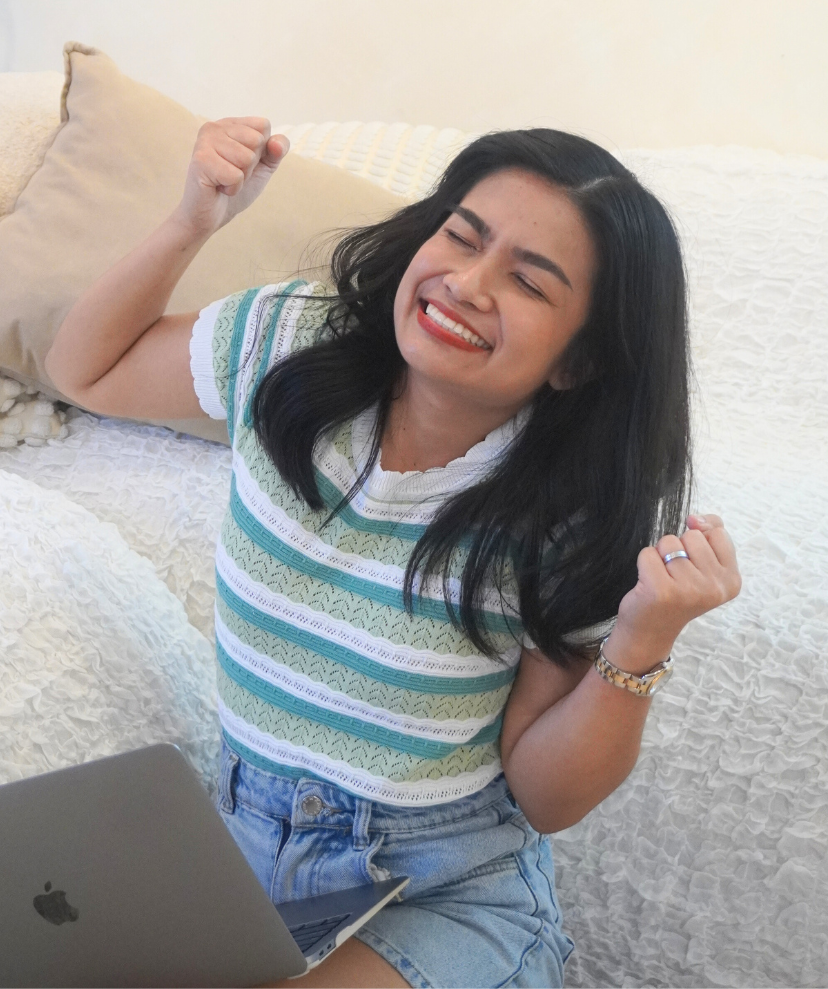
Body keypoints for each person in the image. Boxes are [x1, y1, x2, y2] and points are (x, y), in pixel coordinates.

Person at [44, 118, 742, 988]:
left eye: (528, 281)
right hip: (240, 858)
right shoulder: (287, 342)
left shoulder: (570, 517)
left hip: (440, 892)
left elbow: (546, 797)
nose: (467, 285)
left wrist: (641, 642)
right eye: (462, 236)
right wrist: (192, 221)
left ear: (578, 361)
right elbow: (86, 372)